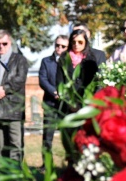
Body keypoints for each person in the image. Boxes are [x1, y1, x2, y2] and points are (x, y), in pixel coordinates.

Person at [56, 29, 102, 160]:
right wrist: (70, 103)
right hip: (68, 108)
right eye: (74, 42)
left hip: (85, 107)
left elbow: (93, 84)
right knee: (70, 141)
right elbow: (60, 83)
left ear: (85, 43)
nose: (76, 45)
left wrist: (84, 104)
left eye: (80, 42)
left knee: (85, 141)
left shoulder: (91, 60)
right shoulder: (64, 58)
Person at [0, 30, 29, 162]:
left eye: (4, 43)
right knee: (1, 143)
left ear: (10, 43)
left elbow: (20, 79)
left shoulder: (20, 60)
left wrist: (4, 89)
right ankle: (3, 170)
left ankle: (15, 171)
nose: (1, 46)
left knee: (15, 143)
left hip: (14, 109)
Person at [38, 35, 68, 167]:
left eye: (63, 46)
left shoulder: (72, 62)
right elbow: (42, 79)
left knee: (67, 138)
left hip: (66, 105)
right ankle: (47, 165)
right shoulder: (46, 61)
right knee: (47, 138)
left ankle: (69, 165)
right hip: (50, 103)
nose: (59, 48)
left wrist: (65, 94)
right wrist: (54, 92)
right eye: (57, 45)